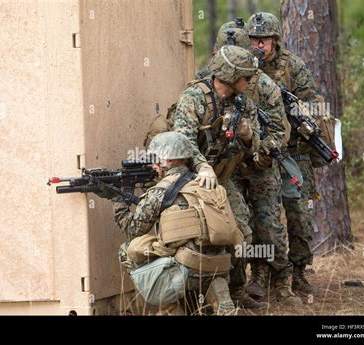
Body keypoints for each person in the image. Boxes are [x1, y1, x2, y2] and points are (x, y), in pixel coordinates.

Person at [204, 27, 302, 306]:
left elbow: (280, 132)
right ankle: (237, 288)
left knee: (268, 227)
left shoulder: (265, 87)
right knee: (234, 226)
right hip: (227, 167)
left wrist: (258, 149)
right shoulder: (207, 84)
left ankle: (282, 282)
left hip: (261, 164)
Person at [96, 132, 238, 315]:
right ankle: (216, 289)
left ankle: (169, 307)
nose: (152, 164)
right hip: (221, 265)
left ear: (169, 161)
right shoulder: (208, 184)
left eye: (155, 158)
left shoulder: (160, 191)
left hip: (189, 270)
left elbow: (132, 229)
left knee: (127, 250)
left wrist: (116, 198)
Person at [172, 45, 267, 310]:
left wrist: (248, 135)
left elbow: (255, 148)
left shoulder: (242, 103)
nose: (249, 83)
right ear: (232, 75)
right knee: (204, 239)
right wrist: (202, 167)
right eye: (246, 77)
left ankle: (235, 293)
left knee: (242, 235)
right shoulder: (194, 97)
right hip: (189, 179)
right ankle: (199, 299)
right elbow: (184, 140)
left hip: (221, 180)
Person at [245, 12, 321, 295]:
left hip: (293, 153)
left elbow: (312, 109)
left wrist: (293, 109)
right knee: (263, 217)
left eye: (263, 40)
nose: (258, 45)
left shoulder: (294, 67)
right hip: (260, 152)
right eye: (254, 39)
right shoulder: (245, 66)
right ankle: (261, 272)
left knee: (299, 214)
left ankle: (299, 272)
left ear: (275, 41)